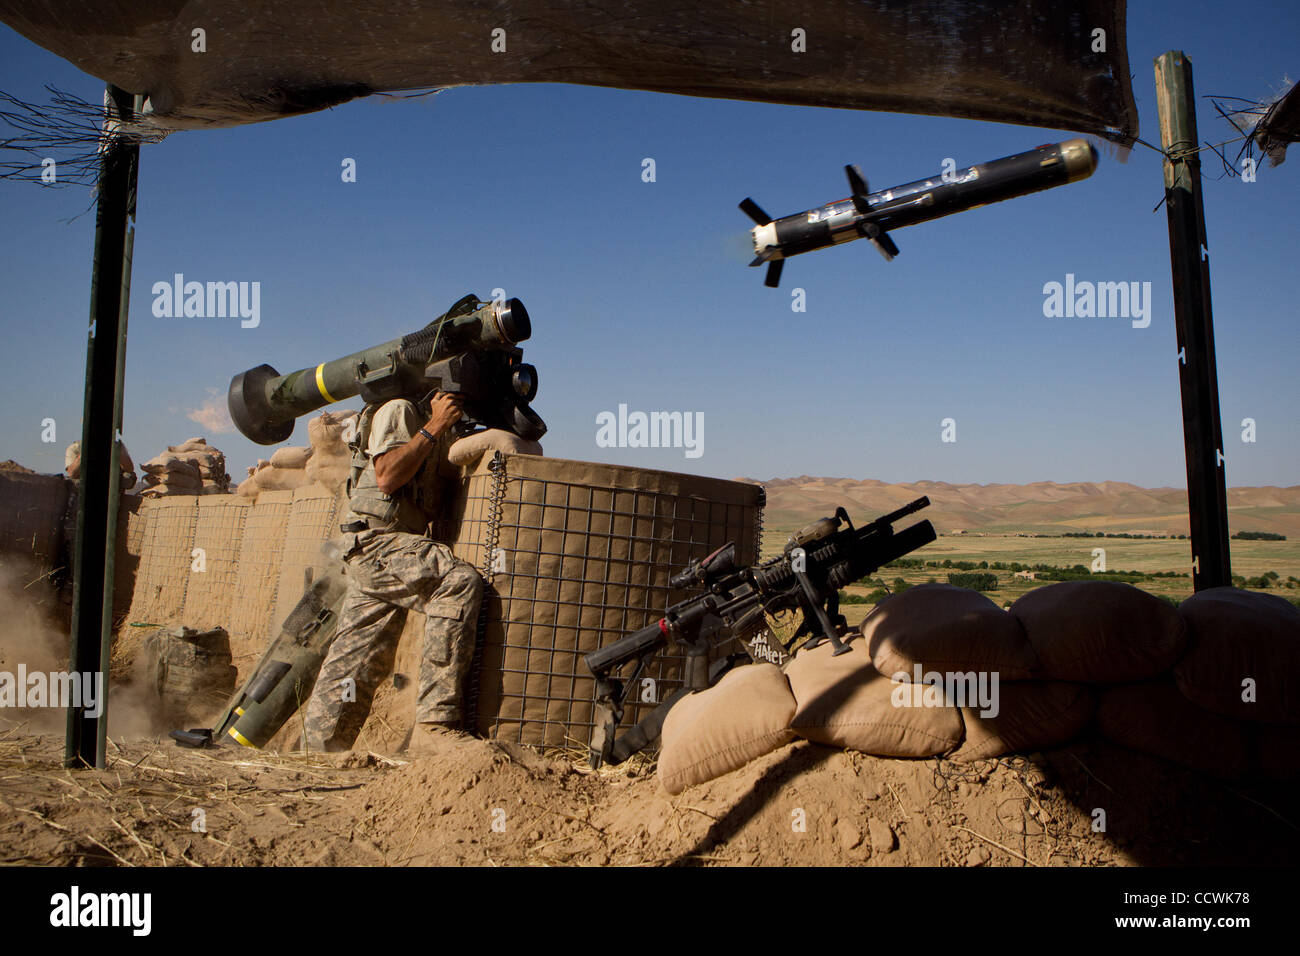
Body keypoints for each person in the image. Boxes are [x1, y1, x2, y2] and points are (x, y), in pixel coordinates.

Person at [302, 391, 484, 753]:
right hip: (378, 543)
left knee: (361, 658)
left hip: (387, 551)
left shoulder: (435, 426)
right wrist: (434, 426)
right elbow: (386, 477)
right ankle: (435, 721)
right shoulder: (399, 410)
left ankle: (318, 752)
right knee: (457, 581)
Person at [65, 440, 137, 491]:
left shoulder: (116, 446)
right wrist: (85, 452)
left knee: (128, 477)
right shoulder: (75, 448)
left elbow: (129, 469)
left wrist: (118, 451)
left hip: (111, 492)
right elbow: (72, 473)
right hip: (84, 493)